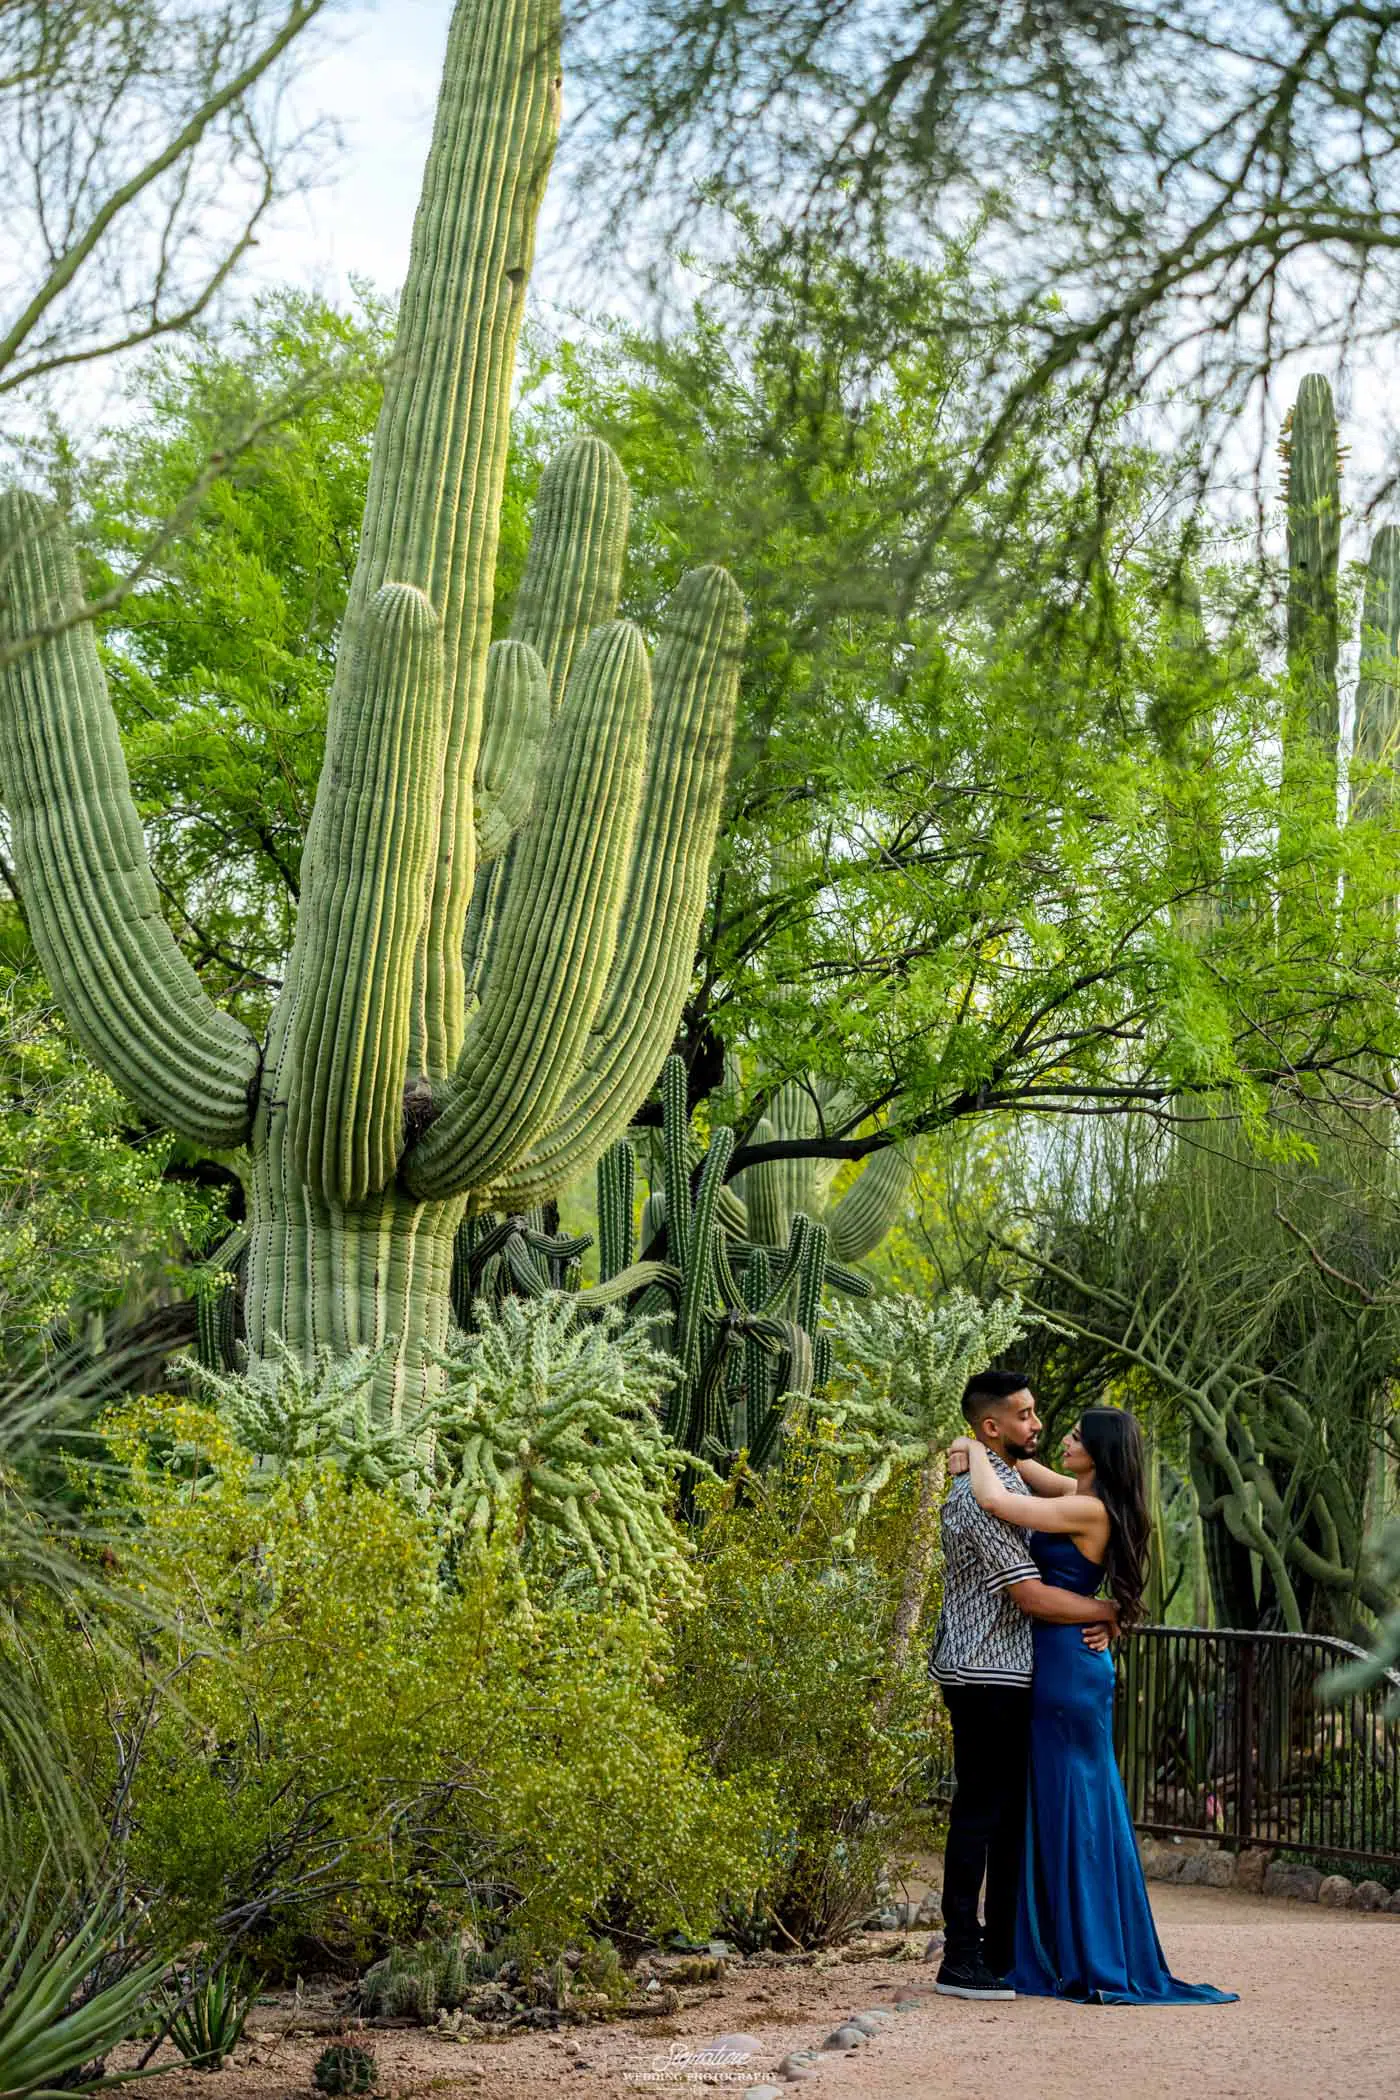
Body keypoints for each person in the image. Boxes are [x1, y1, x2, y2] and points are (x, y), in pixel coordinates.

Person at [949, 1403, 1237, 2007]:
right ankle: (1061, 1942)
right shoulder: (1079, 1491)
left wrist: (974, 1449)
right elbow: (1024, 1470)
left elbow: (1000, 1502)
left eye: (1078, 1436)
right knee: (1061, 1798)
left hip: (1066, 1669)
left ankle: (1086, 1949)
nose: (1064, 1439)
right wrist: (980, 1439)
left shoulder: (1087, 1507)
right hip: (1063, 1660)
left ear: (1101, 1453)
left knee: (1075, 1800)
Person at [929, 1368, 1119, 2001]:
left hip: (1005, 1670)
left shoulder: (1003, 1477)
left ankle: (1002, 1950)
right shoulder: (985, 1494)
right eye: (1026, 1416)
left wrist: (971, 1451)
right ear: (993, 1425)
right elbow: (1030, 1595)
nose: (1038, 1426)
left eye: (1039, 1415)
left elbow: (1056, 1493)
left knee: (1005, 1814)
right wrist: (1109, 1611)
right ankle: (962, 1957)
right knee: (984, 1813)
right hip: (988, 1672)